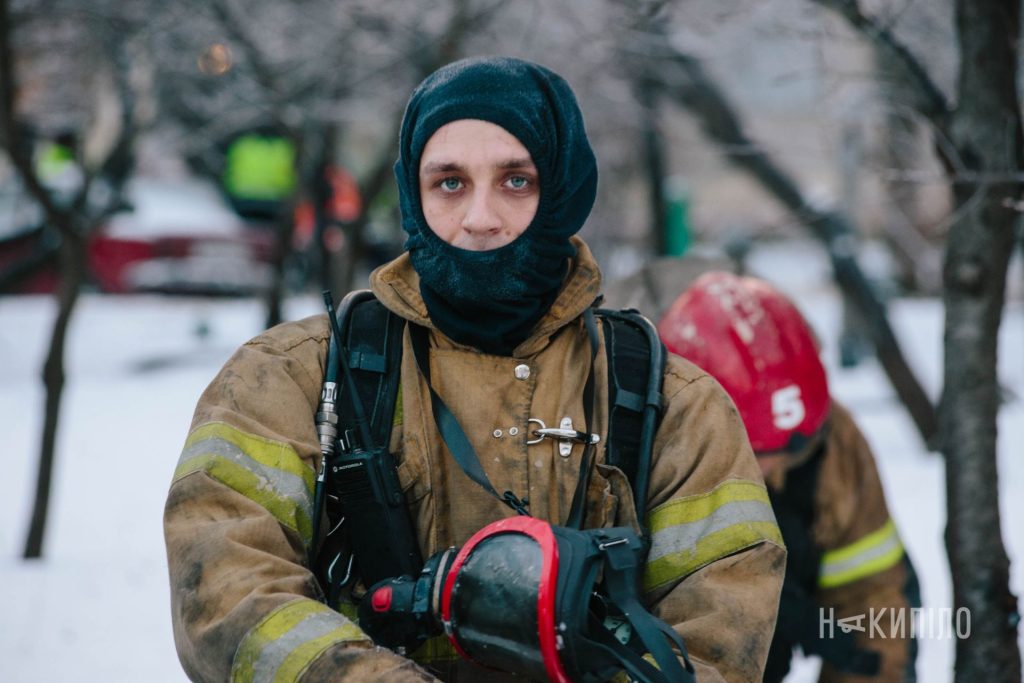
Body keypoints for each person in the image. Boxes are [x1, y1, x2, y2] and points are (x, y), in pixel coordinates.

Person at [164, 57, 785, 682]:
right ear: (413, 193)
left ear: (564, 190)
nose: (480, 219)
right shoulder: (289, 378)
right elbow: (228, 591)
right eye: (450, 183)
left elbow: (716, 640)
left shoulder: (675, 405)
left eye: (516, 181)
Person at [658, 271, 920, 683]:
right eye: (754, 454)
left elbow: (873, 594)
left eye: (789, 453)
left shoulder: (833, 441)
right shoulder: (640, 444)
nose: (772, 471)